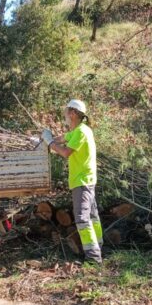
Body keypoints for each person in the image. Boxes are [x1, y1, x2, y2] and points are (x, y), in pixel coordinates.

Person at [43, 99, 103, 265]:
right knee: (92, 216)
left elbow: (65, 152)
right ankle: (99, 248)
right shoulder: (80, 130)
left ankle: (93, 258)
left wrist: (49, 142)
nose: (65, 116)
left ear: (74, 113)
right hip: (86, 180)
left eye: (67, 112)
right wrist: (46, 142)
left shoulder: (81, 132)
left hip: (82, 181)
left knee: (83, 219)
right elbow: (63, 138)